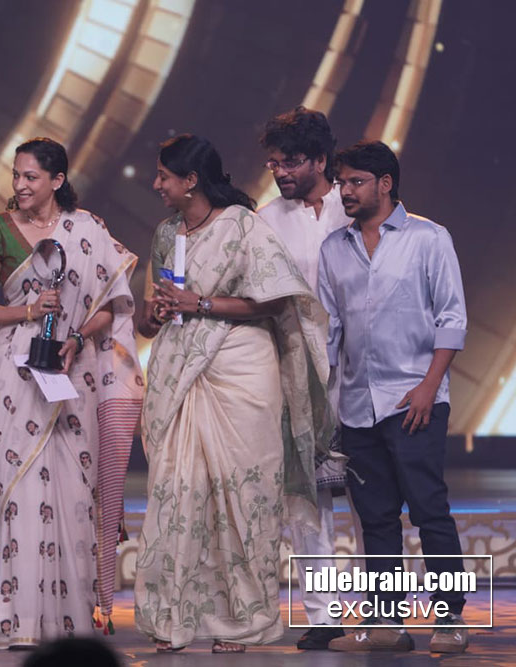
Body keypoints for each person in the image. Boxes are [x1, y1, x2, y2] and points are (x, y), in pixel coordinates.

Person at [133, 134, 333, 654]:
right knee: (178, 493)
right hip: (182, 370)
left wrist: (199, 304)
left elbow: (274, 302)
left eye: (163, 176)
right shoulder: (166, 233)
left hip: (241, 372)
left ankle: (243, 621)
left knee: (242, 499)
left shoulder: (243, 226)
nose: (156, 184)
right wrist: (155, 314)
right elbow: (152, 315)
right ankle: (173, 619)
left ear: (190, 180)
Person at [0, 137, 141, 649]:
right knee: (19, 492)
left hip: (73, 370)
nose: (20, 185)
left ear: (57, 180)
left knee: (73, 493)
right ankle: (20, 622)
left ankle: (73, 624)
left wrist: (75, 339)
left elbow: (111, 304)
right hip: (15, 371)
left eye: (31, 177)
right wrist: (28, 312)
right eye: (16, 175)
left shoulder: (87, 230)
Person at [319, 141, 469, 653]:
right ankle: (387, 622)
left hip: (414, 401)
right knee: (377, 518)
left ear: (385, 183)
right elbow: (330, 331)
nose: (345, 191)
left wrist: (429, 386)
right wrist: (324, 400)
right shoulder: (334, 248)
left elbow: (452, 318)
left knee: (429, 511)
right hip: (357, 406)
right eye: (341, 182)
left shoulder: (429, 238)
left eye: (355, 181)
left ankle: (449, 619)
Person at [258, 106, 351, 650]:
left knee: (373, 497)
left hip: (361, 372)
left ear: (320, 159)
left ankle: (385, 615)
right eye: (274, 163)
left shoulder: (353, 205)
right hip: (296, 369)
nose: (281, 172)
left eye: (290, 161)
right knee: (309, 497)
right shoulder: (266, 220)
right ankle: (324, 615)